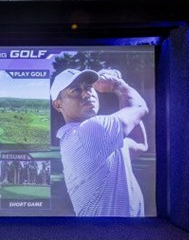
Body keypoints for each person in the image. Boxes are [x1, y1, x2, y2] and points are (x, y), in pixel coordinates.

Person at [50, 67, 149, 216]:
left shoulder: (100, 137)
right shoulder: (88, 132)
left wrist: (121, 91)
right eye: (76, 90)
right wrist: (117, 85)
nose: (86, 93)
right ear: (58, 105)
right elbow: (139, 107)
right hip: (111, 236)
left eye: (89, 87)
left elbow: (140, 144)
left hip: (122, 234)